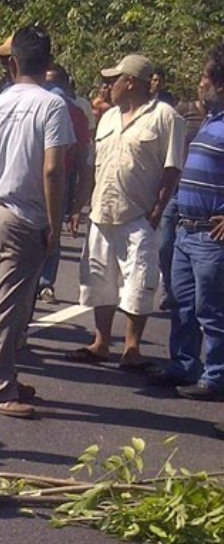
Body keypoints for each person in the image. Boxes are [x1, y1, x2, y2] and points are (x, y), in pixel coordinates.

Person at [0, 26, 74, 418]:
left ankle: (4, 376)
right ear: (47, 64)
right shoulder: (52, 107)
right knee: (9, 309)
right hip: (26, 217)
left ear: (12, 63)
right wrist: (54, 224)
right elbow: (52, 171)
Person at [67, 55, 184, 376]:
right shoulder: (106, 119)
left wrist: (158, 210)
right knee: (99, 279)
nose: (108, 86)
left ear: (130, 82)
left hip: (138, 216)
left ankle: (132, 348)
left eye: (113, 80)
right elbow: (91, 167)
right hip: (102, 212)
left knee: (138, 281)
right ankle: (101, 342)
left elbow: (172, 168)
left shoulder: (165, 117)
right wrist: (79, 205)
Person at [167, 43, 224, 401]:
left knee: (211, 309)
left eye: (205, 78)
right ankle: (185, 365)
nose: (200, 83)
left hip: (209, 237)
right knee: (182, 303)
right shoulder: (210, 122)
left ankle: (216, 376)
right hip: (186, 231)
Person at [37, 64, 91, 304]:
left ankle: (46, 283)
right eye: (47, 83)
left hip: (62, 176)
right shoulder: (34, 106)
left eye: (56, 83)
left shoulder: (75, 113)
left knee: (53, 229)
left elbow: (82, 156)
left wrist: (78, 204)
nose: (52, 88)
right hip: (32, 174)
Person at [159, 95, 207, 310]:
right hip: (176, 189)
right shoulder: (183, 110)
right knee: (164, 244)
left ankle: (195, 295)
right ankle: (170, 290)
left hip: (205, 198)